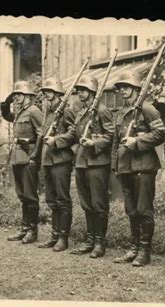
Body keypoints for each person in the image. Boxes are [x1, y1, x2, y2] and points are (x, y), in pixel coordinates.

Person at [110, 70, 165, 267]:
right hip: (125, 167)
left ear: (135, 89)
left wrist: (138, 140)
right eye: (120, 88)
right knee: (131, 210)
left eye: (126, 87)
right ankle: (133, 247)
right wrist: (115, 165)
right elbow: (116, 142)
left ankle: (144, 251)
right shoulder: (121, 113)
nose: (123, 90)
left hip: (144, 166)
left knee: (144, 209)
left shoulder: (148, 109)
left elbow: (160, 134)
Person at [66, 75, 114, 258]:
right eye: (79, 91)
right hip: (82, 163)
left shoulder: (102, 111)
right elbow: (75, 135)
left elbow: (110, 136)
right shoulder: (80, 113)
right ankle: (90, 239)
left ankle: (100, 242)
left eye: (84, 90)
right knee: (87, 204)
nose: (81, 94)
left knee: (99, 204)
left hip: (97, 163)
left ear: (93, 92)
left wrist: (94, 144)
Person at [31, 77, 76, 252]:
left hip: (61, 160)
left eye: (49, 91)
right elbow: (42, 136)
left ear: (58, 93)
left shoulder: (67, 112)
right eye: (45, 92)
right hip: (48, 160)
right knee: (51, 200)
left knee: (62, 200)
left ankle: (63, 238)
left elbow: (74, 134)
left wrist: (56, 140)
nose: (46, 94)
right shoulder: (47, 112)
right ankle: (54, 235)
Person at [1, 80, 43, 244]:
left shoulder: (34, 111)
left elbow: (41, 133)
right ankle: (24, 227)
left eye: (19, 95)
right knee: (22, 195)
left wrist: (35, 156)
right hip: (17, 157)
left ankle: (32, 230)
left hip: (29, 157)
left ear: (28, 96)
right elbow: (7, 116)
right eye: (15, 95)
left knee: (30, 196)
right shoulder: (20, 112)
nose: (16, 97)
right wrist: (6, 103)